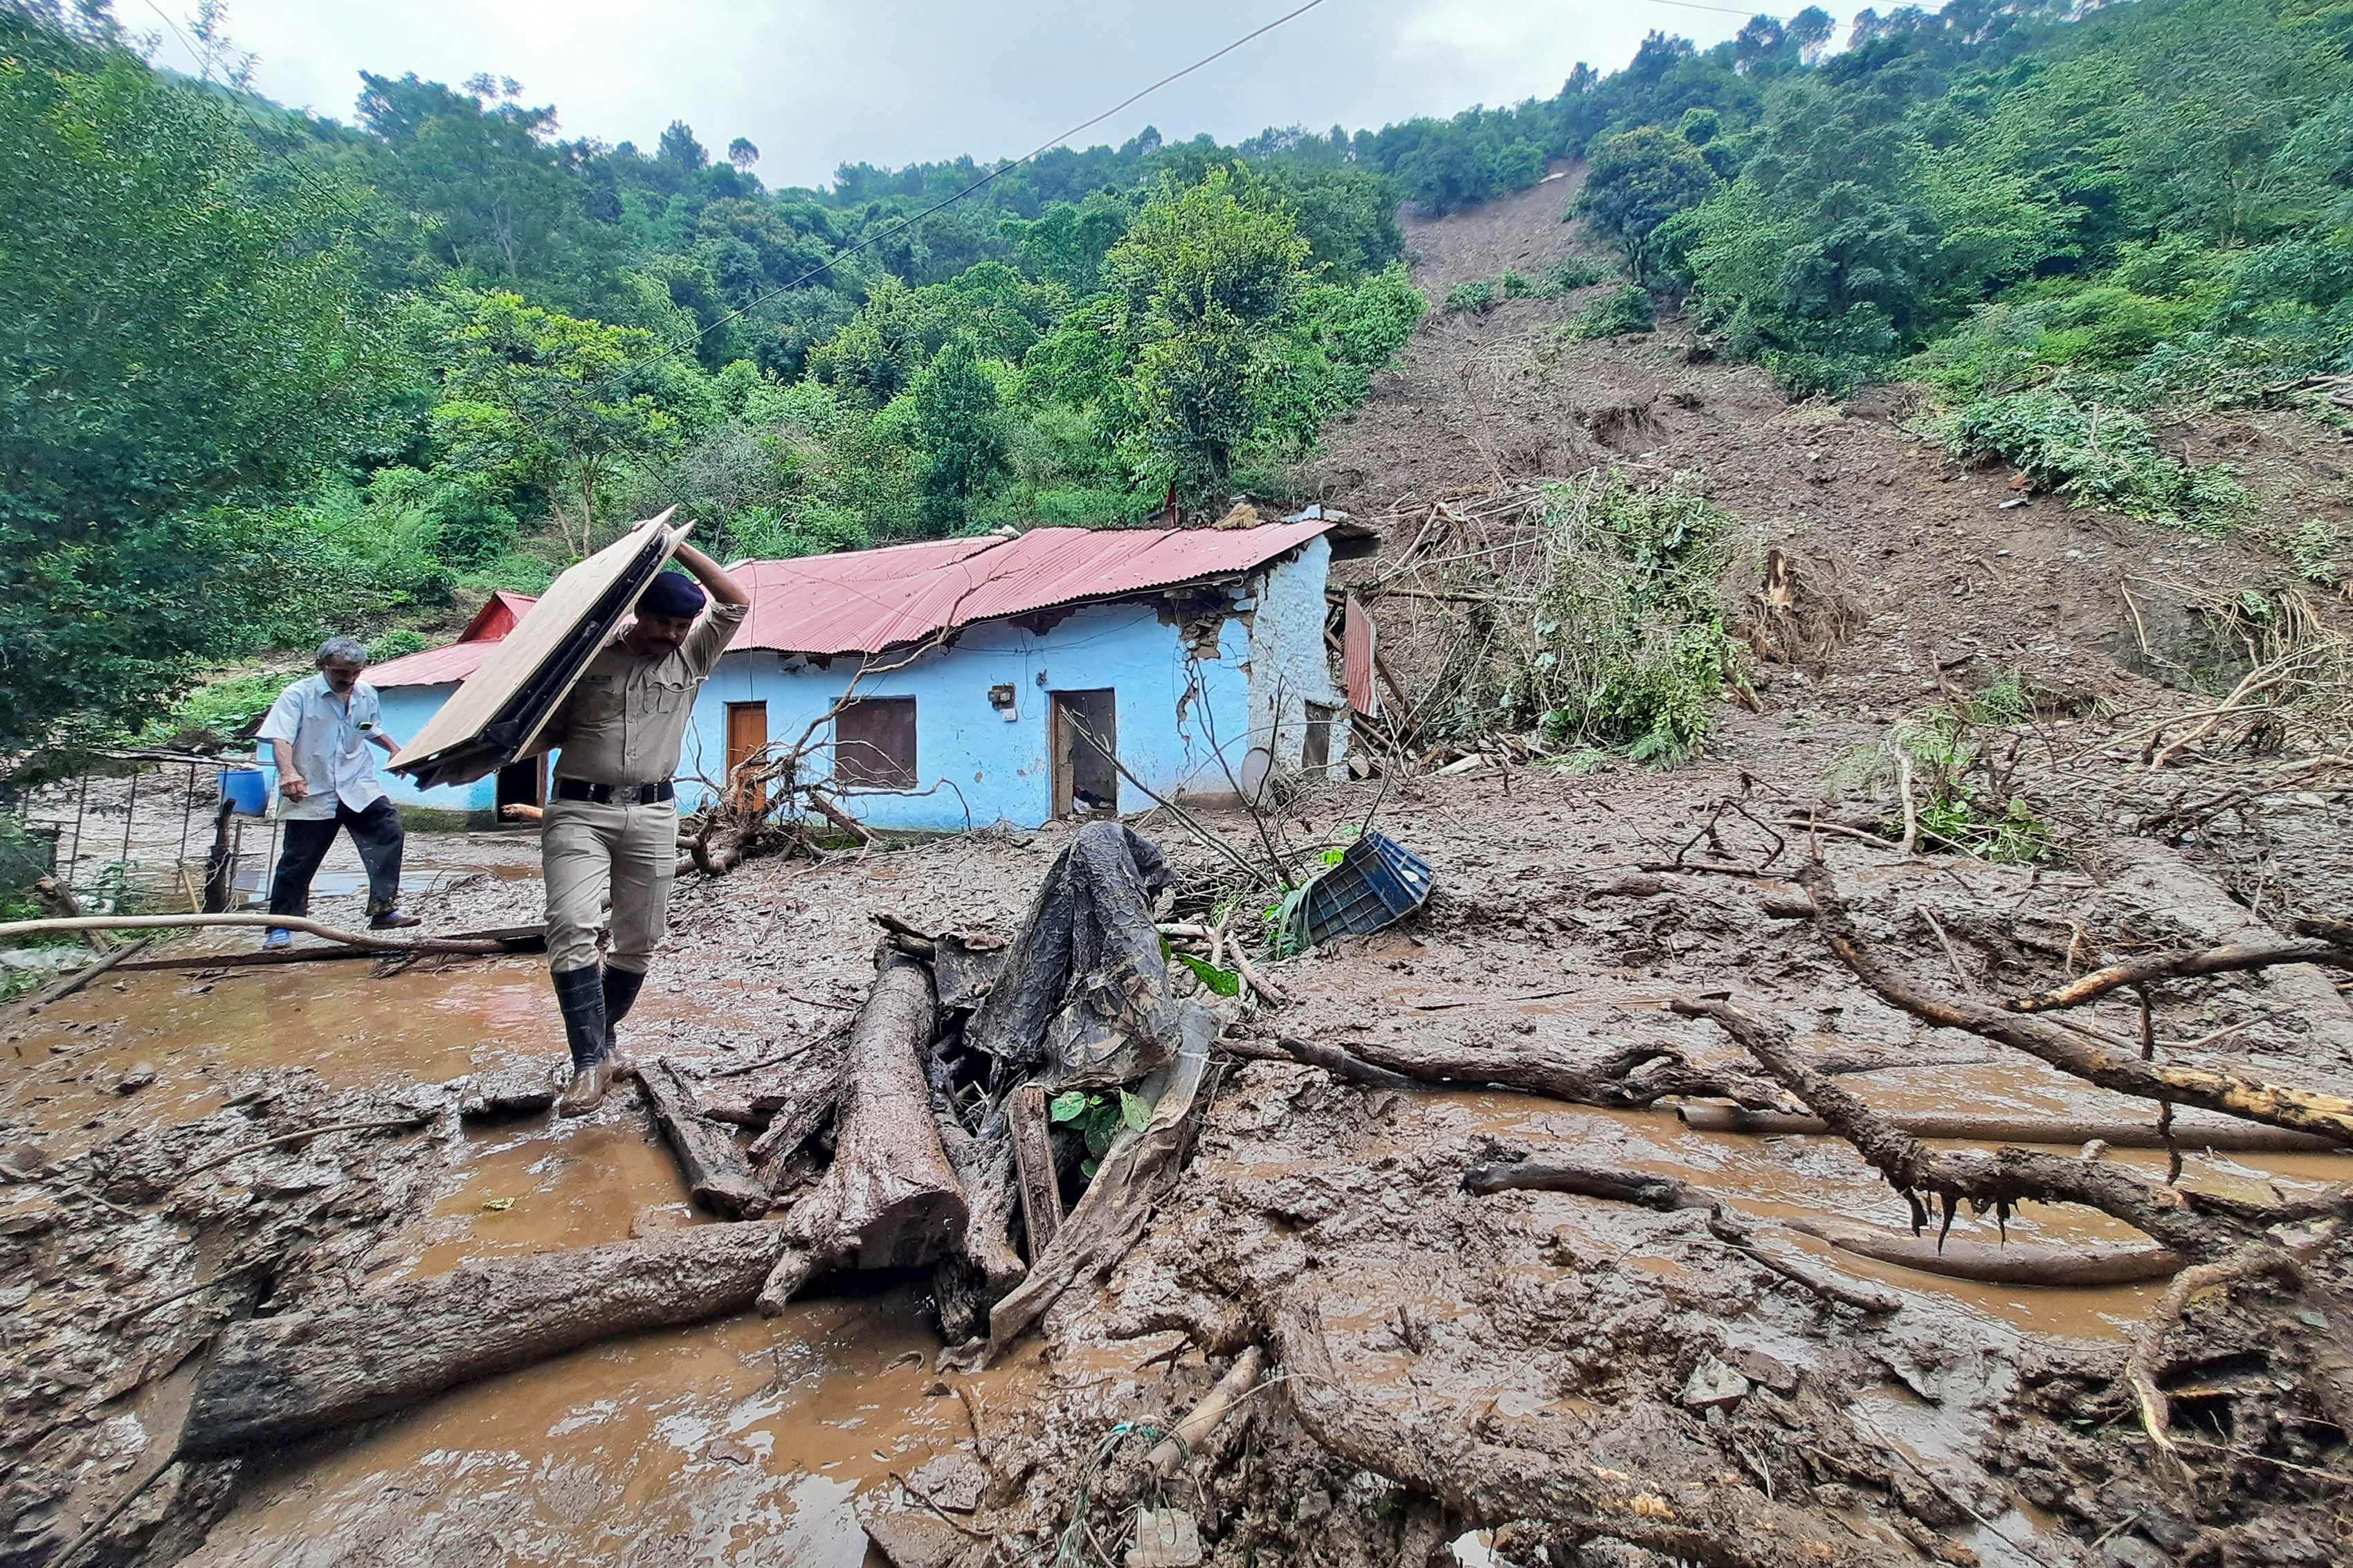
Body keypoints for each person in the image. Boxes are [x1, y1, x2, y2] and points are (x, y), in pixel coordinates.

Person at [536, 543, 749, 1114]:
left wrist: (677, 548)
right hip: (579, 810)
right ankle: (588, 1064)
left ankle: (602, 1046)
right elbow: (537, 724)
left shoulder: (693, 658)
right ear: (637, 615)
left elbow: (735, 603)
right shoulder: (586, 658)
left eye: (682, 625)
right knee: (573, 924)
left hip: (655, 814)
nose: (672, 635)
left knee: (638, 940)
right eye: (661, 622)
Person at [256, 637, 419, 949]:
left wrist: (394, 750)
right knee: (299, 858)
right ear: (322, 666)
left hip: (356, 782)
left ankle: (383, 909)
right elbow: (280, 739)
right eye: (341, 673)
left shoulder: (366, 693)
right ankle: (281, 926)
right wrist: (289, 773)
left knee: (389, 831)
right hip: (312, 787)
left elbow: (369, 727)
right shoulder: (298, 696)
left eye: (355, 672)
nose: (349, 679)